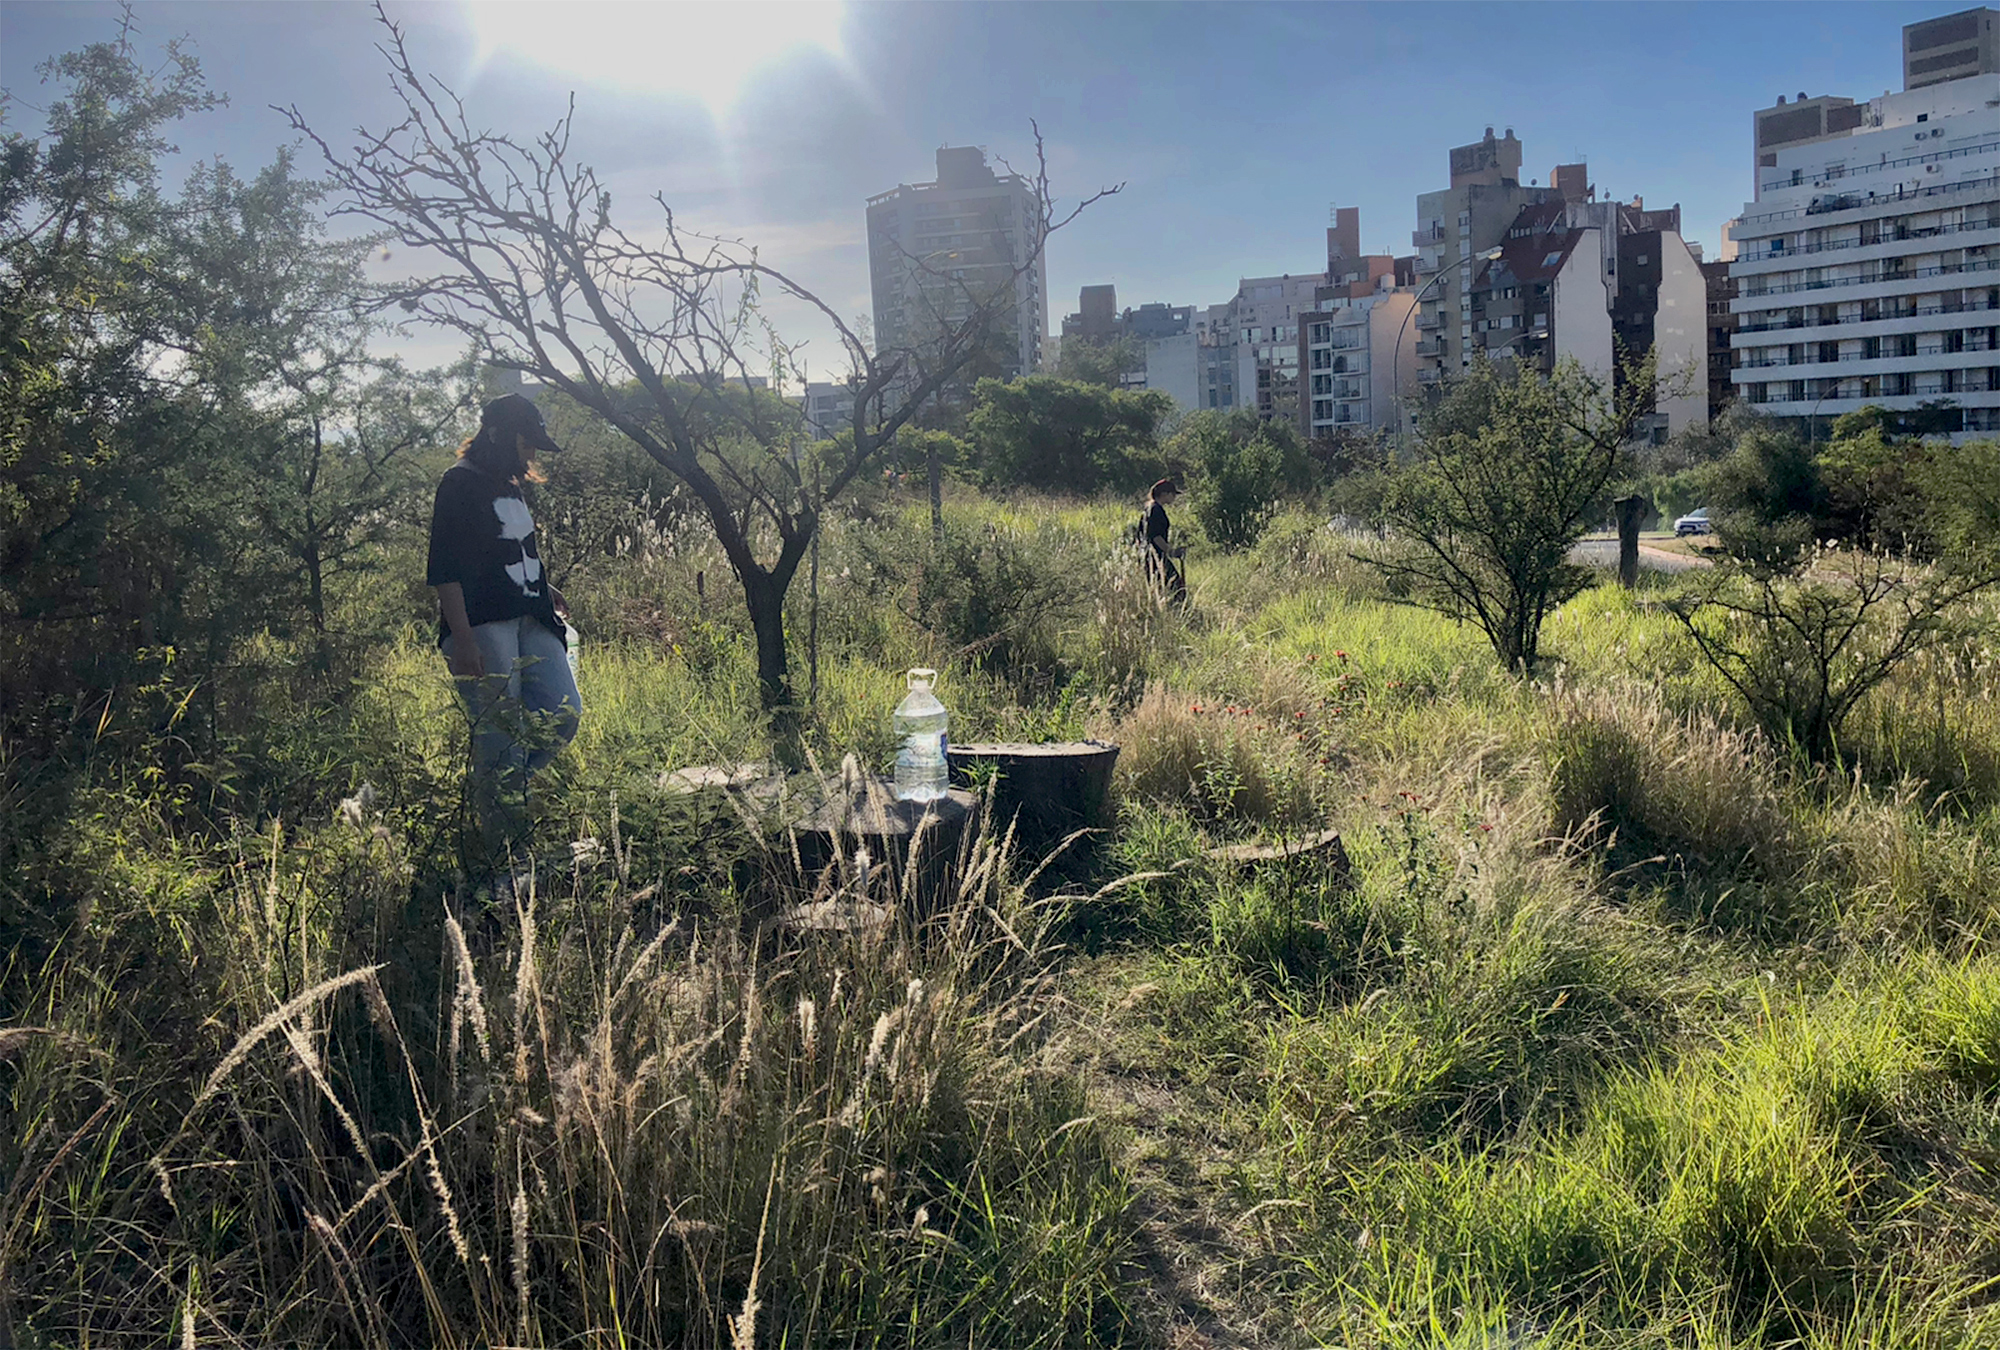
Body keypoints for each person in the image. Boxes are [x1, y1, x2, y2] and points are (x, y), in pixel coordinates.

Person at [426, 393, 581, 883]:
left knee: (564, 714)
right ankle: (505, 857)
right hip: (483, 624)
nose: (531, 454)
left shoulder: (510, 483)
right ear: (497, 435)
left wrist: (544, 584)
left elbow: (511, 548)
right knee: (500, 738)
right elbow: (444, 569)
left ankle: (497, 792)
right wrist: (463, 639)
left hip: (530, 616)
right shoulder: (458, 484)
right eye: (526, 442)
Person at [1142, 477, 1187, 602]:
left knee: (1162, 588)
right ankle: (1177, 612)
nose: (1174, 498)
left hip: (1149, 555)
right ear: (1164, 494)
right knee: (1177, 588)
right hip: (1155, 556)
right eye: (1173, 494)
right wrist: (1172, 552)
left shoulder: (1149, 508)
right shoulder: (1156, 510)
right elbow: (1156, 536)